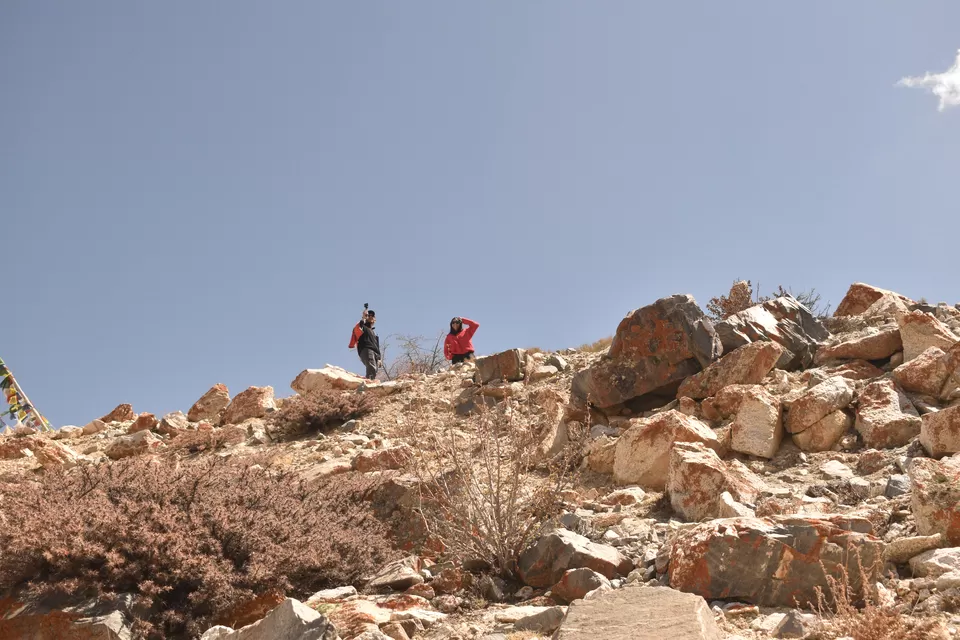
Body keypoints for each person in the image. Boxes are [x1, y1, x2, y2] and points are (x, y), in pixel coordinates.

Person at [349, 308, 381, 380]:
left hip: (375, 353)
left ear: (374, 319)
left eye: (372, 315)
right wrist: (363, 318)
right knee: (371, 367)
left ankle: (369, 383)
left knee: (374, 370)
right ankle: (367, 385)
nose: (370, 316)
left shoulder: (374, 334)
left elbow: (377, 347)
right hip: (366, 349)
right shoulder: (363, 327)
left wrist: (379, 358)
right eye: (368, 315)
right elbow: (357, 328)